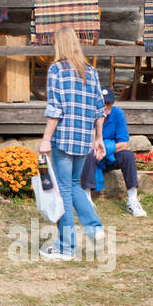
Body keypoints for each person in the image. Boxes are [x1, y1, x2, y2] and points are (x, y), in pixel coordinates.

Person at [38, 25, 107, 261]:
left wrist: (46, 138)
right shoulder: (91, 71)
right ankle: (94, 229)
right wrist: (98, 138)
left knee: (64, 190)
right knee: (73, 186)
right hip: (83, 139)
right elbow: (100, 108)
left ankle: (66, 247)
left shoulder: (56, 70)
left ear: (59, 45)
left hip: (63, 139)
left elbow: (55, 108)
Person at [81, 86, 147, 217]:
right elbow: (87, 142)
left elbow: (123, 143)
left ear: (112, 103)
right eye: (102, 103)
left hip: (109, 156)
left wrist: (106, 148)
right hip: (93, 155)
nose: (105, 107)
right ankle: (86, 199)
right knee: (88, 153)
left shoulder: (118, 114)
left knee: (127, 156)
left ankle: (132, 200)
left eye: (108, 103)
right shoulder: (88, 114)